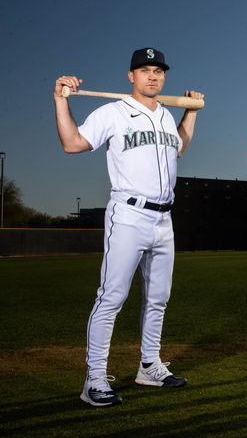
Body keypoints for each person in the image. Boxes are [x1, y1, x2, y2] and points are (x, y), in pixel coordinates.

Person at [54, 48, 204, 407]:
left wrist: (189, 113)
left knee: (158, 298)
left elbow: (179, 148)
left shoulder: (167, 117)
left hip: (163, 218)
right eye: (145, 70)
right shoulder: (113, 113)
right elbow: (72, 143)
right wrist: (60, 99)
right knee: (112, 297)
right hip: (129, 215)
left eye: (158, 71)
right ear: (131, 76)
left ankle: (149, 366)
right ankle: (93, 379)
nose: (153, 76)